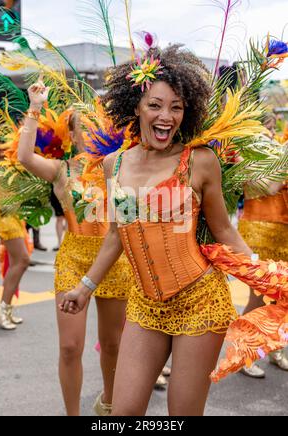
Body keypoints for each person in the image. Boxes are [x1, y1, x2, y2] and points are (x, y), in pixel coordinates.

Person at [59, 45, 265, 416]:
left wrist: (265, 274)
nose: (165, 116)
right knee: (123, 414)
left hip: (200, 303)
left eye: (176, 107)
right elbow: (116, 235)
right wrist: (84, 288)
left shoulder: (200, 162)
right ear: (136, 106)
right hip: (145, 305)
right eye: (155, 105)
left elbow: (223, 230)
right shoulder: (113, 165)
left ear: (187, 113)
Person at [17, 84, 135, 416]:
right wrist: (35, 107)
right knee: (70, 347)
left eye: (97, 125)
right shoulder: (61, 170)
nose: (91, 132)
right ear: (72, 132)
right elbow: (24, 157)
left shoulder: (121, 167)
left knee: (113, 344)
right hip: (73, 259)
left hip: (113, 258)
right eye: (83, 126)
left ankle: (109, 405)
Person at [239, 113, 288, 378]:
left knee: (281, 298)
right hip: (257, 232)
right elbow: (270, 188)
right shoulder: (244, 158)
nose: (269, 133)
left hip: (282, 233)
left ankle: (273, 348)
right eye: (263, 128)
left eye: (271, 128)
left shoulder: (277, 152)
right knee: (257, 299)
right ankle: (244, 354)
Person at [0, 136, 30, 330]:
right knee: (21, 260)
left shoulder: (9, 162)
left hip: (15, 216)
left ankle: (6, 307)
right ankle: (3, 308)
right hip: (4, 218)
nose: (3, 149)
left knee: (17, 262)